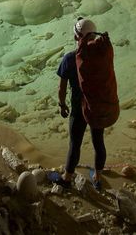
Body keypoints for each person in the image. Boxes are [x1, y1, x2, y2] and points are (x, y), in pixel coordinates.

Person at [50, 17, 107, 191]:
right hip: (97, 107)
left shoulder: (69, 58)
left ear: (76, 37)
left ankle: (66, 178)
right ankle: (97, 178)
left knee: (75, 143)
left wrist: (61, 104)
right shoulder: (101, 55)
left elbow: (62, 88)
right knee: (99, 142)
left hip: (78, 108)